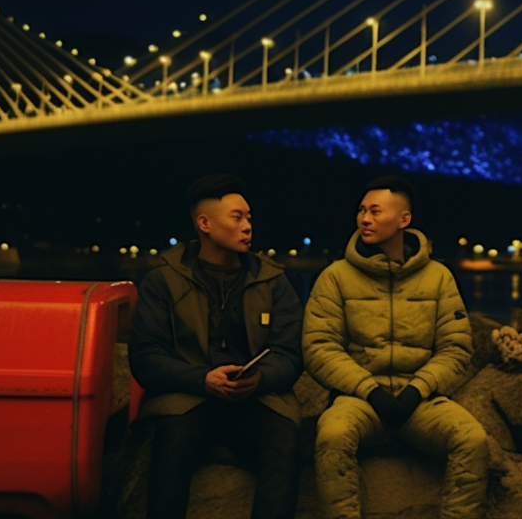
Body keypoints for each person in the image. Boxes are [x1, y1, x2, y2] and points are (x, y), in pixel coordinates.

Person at [304, 175, 488, 519]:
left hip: (419, 401)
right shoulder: (336, 276)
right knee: (332, 435)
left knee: (473, 440)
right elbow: (319, 346)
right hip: (360, 400)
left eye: (375, 211)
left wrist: (417, 390)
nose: (364, 219)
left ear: (404, 220)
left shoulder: (438, 277)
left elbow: (456, 348)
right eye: (361, 210)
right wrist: (368, 390)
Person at [128, 174, 304, 519]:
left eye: (249, 218)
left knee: (284, 440)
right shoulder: (163, 280)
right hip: (189, 396)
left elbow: (290, 352)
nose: (247, 227)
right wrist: (201, 379)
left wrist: (261, 378)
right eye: (237, 218)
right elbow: (147, 356)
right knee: (172, 440)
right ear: (204, 224)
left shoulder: (272, 280)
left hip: (255, 397)